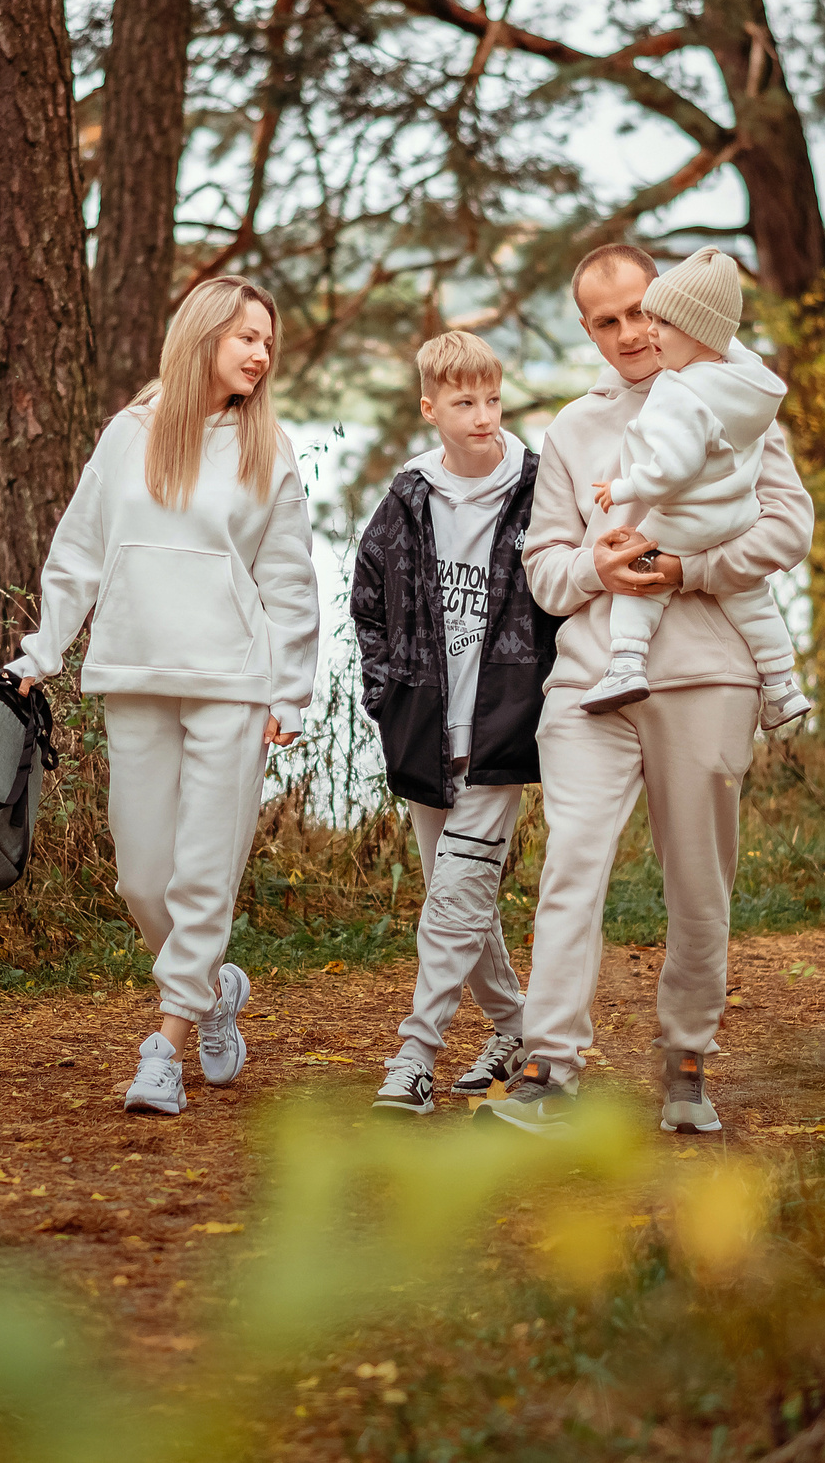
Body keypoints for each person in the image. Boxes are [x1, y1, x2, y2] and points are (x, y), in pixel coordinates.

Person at [482, 244, 814, 1138]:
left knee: (700, 885)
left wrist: (687, 569)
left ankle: (687, 1056)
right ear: (589, 331)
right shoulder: (570, 431)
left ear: (670, 310)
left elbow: (789, 524)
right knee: (571, 868)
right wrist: (598, 565)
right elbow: (545, 572)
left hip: (708, 676)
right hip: (590, 681)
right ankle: (551, 1066)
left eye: (640, 311)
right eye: (607, 321)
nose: (630, 334)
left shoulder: (734, 396)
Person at [4, 276, 321, 1117]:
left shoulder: (268, 446)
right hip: (135, 672)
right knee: (144, 880)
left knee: (204, 877)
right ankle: (214, 992)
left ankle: (165, 1047)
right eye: (245, 335)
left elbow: (288, 579)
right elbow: (79, 549)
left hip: (234, 684)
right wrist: (43, 649)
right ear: (202, 335)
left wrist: (292, 691)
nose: (260, 352)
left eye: (267, 340)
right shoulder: (129, 434)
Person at [349, 331, 556, 1114]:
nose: (484, 416)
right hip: (426, 728)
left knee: (458, 889)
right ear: (430, 407)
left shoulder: (537, 485)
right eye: (464, 402)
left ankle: (415, 1054)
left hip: (506, 725)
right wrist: (385, 695)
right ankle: (517, 1026)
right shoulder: (408, 497)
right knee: (456, 894)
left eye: (493, 399)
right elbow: (368, 600)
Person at [578, 248, 812, 736]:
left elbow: (672, 469)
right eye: (608, 322)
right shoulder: (743, 385)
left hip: (687, 525)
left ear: (694, 332)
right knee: (753, 600)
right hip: (735, 519)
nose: (643, 333)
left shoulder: (678, 393)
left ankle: (624, 662)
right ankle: (782, 685)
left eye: (651, 317)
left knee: (642, 578)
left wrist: (624, 487)